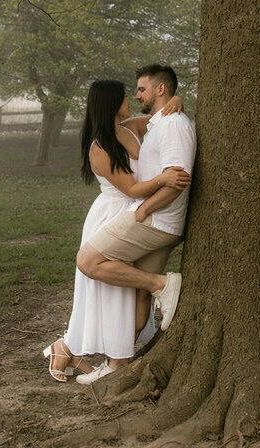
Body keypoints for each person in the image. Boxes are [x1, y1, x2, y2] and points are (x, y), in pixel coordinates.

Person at [43, 78, 191, 383]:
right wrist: (164, 179)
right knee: (109, 293)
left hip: (134, 212)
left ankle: (112, 359)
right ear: (111, 103)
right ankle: (74, 348)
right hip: (113, 214)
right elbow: (134, 189)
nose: (131, 101)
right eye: (125, 97)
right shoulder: (100, 148)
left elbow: (159, 115)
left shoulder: (129, 127)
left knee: (135, 299)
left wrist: (177, 100)